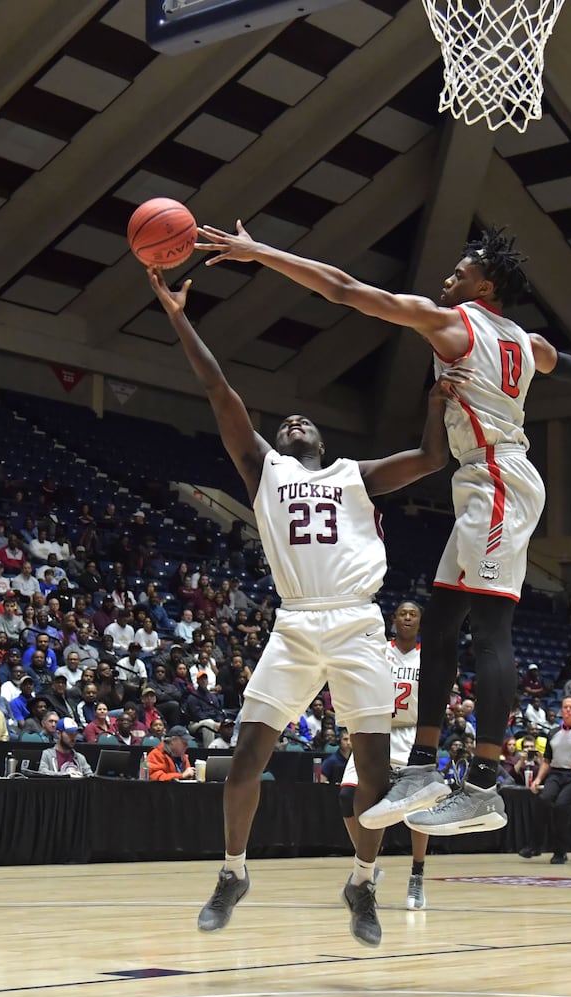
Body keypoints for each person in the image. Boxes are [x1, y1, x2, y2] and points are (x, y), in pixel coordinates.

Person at [198, 222, 571, 839]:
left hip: (498, 478)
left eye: (460, 271)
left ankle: (488, 786)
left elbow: (345, 290)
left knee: (490, 629)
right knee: (439, 623)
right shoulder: (526, 341)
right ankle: (421, 769)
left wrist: (260, 254)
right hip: (480, 482)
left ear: (484, 285)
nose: (448, 277)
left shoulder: (455, 323)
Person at [148, 267, 452, 947]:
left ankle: (363, 883)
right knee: (246, 753)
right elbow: (217, 388)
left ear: (322, 442)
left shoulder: (354, 475)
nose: (293, 421)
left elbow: (434, 457)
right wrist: (177, 316)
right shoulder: (263, 470)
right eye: (286, 422)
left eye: (304, 421)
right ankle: (232, 872)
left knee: (374, 769)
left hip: (353, 621)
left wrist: (438, 396)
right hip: (294, 623)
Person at [339, 602, 433, 909]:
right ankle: (367, 864)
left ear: (420, 623)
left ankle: (417, 875)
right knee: (346, 797)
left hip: (410, 733)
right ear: (393, 620)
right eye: (402, 613)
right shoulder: (379, 650)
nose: (407, 618)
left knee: (417, 810)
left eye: (413, 614)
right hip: (375, 731)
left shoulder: (427, 658)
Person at [519, 695, 571, 864]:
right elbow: (547, 761)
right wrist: (538, 779)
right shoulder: (553, 733)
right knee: (542, 801)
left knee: (561, 807)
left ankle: (560, 852)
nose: (567, 710)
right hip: (555, 774)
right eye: (565, 707)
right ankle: (534, 846)